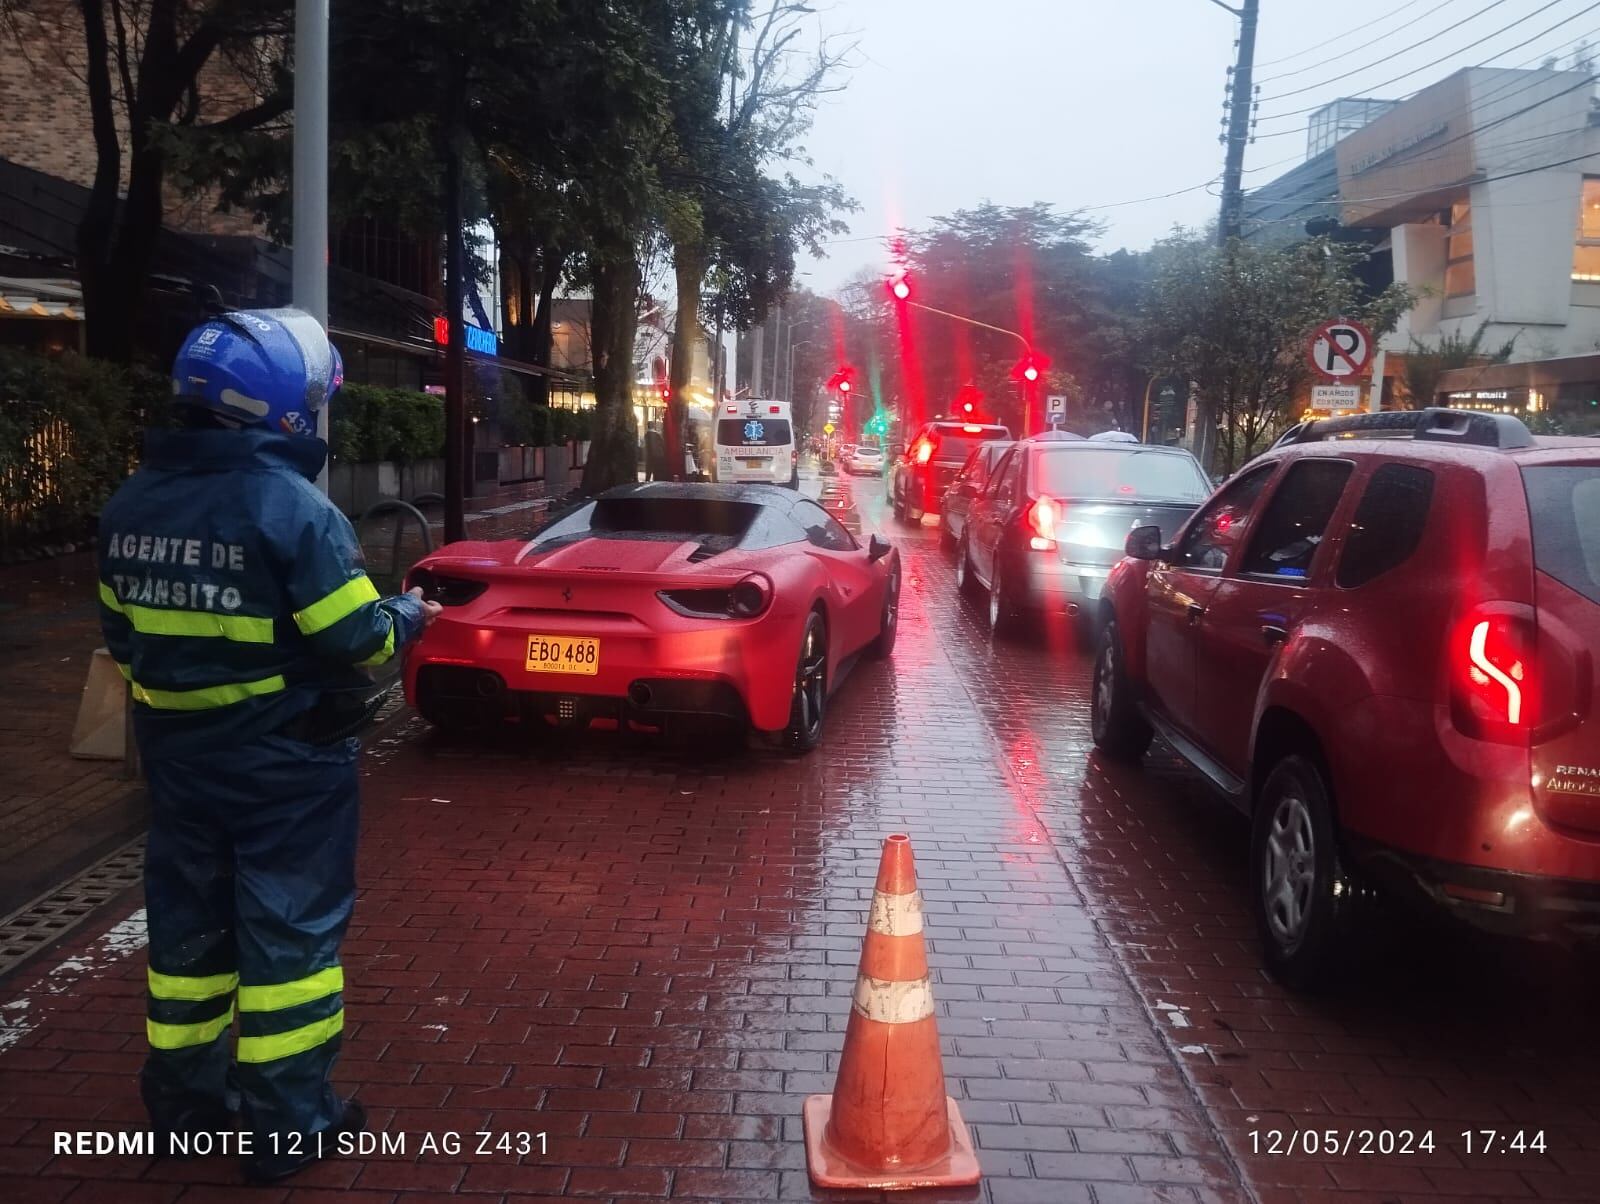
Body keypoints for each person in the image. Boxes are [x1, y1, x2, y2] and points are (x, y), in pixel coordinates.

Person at [95, 308, 441, 1183]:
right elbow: (356, 640)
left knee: (188, 940)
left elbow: (125, 640)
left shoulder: (130, 501)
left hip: (178, 764)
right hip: (287, 767)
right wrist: (409, 614)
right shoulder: (292, 508)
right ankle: (288, 1126)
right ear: (286, 408)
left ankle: (182, 1113)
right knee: (288, 943)